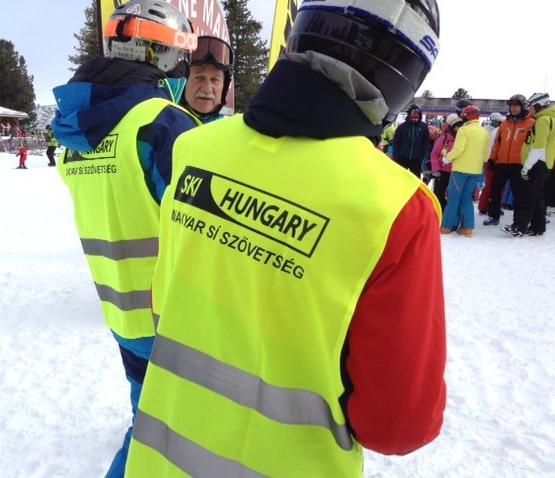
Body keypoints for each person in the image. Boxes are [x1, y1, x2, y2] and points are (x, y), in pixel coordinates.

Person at [126, 1, 446, 476]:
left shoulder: (195, 148)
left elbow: (164, 299)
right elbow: (397, 424)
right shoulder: (395, 207)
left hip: (161, 457)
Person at [51, 1, 200, 476]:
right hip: (175, 320)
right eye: (178, 58)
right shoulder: (161, 124)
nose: (182, 71)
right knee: (176, 437)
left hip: (122, 312)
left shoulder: (78, 133)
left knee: (148, 418)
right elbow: (205, 229)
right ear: (155, 54)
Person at [503, 92, 555, 236]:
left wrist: (526, 166)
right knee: (537, 197)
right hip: (544, 164)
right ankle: (538, 227)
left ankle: (519, 227)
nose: (528, 108)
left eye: (530, 105)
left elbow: (539, 146)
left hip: (537, 164)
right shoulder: (550, 119)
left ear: (538, 105)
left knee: (528, 197)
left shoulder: (543, 120)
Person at [440, 105, 490, 237]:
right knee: (467, 198)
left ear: (466, 116)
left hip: (460, 169)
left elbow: (458, 149)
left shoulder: (464, 130)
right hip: (476, 170)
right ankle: (467, 228)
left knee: (453, 198)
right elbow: (486, 153)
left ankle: (447, 227)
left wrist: (446, 158)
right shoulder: (484, 132)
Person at [484, 94, 534, 225]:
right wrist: (492, 159)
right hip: (502, 163)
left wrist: (530, 163)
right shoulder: (505, 123)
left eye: (516, 106)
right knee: (495, 190)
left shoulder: (531, 123)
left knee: (519, 194)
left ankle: (518, 222)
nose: (513, 108)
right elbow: (497, 143)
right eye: (512, 106)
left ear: (523, 107)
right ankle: (493, 216)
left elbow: (533, 145)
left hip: (519, 164)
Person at [181, 35, 234, 123]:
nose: (207, 89)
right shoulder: (162, 123)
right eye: (199, 78)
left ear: (224, 86)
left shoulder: (230, 130)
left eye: (215, 80)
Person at [430, 113, 463, 211]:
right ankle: (439, 213)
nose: (460, 129)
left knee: (453, 196)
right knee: (439, 194)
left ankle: (450, 215)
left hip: (457, 172)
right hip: (442, 172)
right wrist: (436, 169)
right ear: (452, 127)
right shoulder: (444, 139)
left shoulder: (463, 140)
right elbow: (434, 154)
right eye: (458, 126)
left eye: (461, 126)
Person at [392, 103, 431, 178]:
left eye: (417, 113)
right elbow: (396, 143)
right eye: (413, 113)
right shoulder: (402, 127)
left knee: (415, 179)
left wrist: (422, 156)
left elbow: (426, 142)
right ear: (409, 114)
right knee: (400, 178)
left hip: (416, 159)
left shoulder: (424, 127)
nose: (415, 115)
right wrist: (396, 157)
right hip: (402, 158)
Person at [478, 111, 505, 214]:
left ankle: (484, 206)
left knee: (489, 184)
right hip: (495, 160)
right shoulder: (499, 131)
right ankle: (492, 206)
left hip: (489, 159)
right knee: (498, 186)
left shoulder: (491, 130)